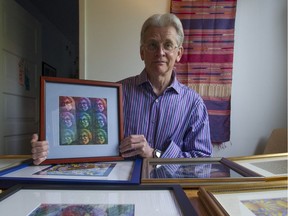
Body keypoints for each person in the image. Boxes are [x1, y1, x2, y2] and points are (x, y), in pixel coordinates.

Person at [31, 13, 212, 165]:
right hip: (122, 189)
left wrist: (154, 154)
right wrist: (49, 148)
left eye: (168, 45)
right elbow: (80, 132)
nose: (160, 52)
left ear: (178, 53)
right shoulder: (114, 95)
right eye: (152, 45)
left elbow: (202, 162)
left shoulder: (193, 104)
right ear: (142, 52)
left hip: (172, 190)